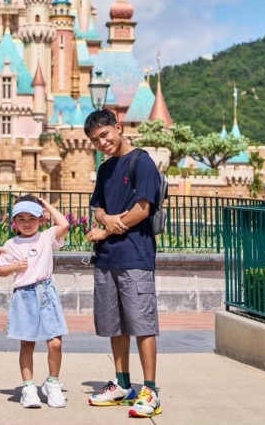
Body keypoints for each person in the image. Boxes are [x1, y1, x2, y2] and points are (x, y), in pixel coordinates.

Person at [84, 108, 163, 418]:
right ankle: (122, 385)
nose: (102, 142)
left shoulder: (141, 161)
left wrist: (108, 227)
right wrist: (106, 219)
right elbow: (98, 207)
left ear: (118, 127)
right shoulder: (105, 169)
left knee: (142, 324)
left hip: (135, 255)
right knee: (115, 323)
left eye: (105, 135)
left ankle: (150, 390)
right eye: (95, 140)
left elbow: (143, 209)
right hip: (107, 257)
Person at [0, 194, 70, 409]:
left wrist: (46, 204)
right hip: (24, 295)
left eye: (32, 218)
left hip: (46, 292)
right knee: (27, 343)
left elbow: (64, 224)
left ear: (41, 219)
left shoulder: (46, 237)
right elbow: (1, 270)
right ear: (14, 222)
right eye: (21, 219)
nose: (27, 223)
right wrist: (14, 267)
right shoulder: (11, 243)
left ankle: (53, 383)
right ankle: (28, 387)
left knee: (55, 342)